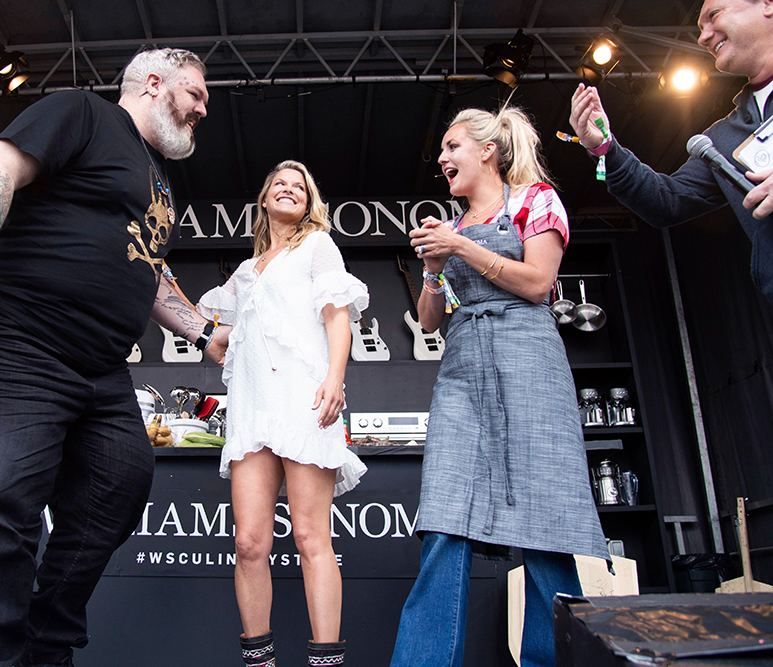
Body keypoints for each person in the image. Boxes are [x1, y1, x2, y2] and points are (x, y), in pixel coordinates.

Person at [0, 48, 228, 667]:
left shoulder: (158, 178)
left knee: (119, 482)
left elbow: (148, 265)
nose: (202, 110)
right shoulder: (82, 113)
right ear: (153, 83)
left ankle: (45, 641)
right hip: (15, 341)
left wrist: (203, 332)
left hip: (99, 369)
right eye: (195, 94)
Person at [389, 107, 609, 667]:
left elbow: (537, 284)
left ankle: (550, 659)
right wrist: (436, 267)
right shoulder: (453, 227)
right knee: (443, 517)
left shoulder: (536, 199)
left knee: (546, 524)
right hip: (463, 369)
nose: (443, 158)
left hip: (528, 360)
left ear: (488, 149)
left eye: (453, 145)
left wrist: (460, 248)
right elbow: (431, 318)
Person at [197, 160, 369, 667]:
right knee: (249, 542)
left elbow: (338, 317)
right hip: (252, 410)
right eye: (281, 185)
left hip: (304, 401)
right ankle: (259, 661)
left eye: (300, 186)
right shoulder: (246, 273)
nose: (290, 190)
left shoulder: (318, 247)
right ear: (265, 200)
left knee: (311, 536)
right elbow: (219, 333)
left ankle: (326, 661)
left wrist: (335, 378)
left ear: (308, 202)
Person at [569, 0, 773, 304]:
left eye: (713, 16)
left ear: (767, 4)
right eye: (701, 28)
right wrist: (604, 146)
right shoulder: (724, 138)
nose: (703, 36)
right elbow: (666, 202)